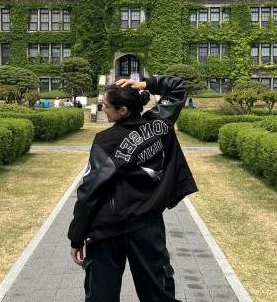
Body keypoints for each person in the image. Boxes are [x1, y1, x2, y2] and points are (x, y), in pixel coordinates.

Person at [68, 75, 198, 302]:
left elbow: (89, 192)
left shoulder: (105, 141)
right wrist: (146, 84)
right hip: (147, 225)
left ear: (123, 110)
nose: (103, 109)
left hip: (107, 230)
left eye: (107, 106)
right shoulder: (160, 123)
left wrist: (76, 238)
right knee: (157, 293)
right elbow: (177, 88)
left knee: (101, 296)